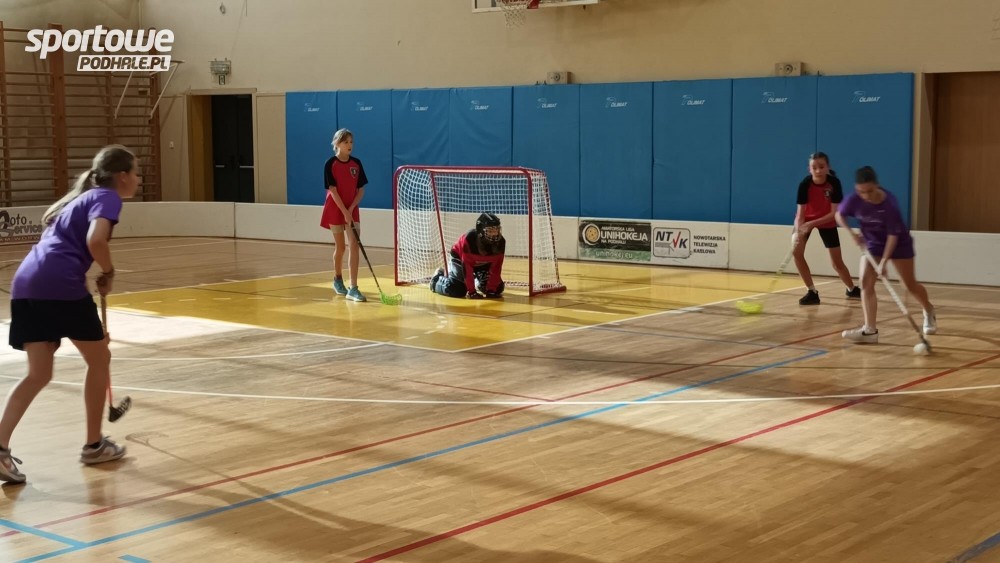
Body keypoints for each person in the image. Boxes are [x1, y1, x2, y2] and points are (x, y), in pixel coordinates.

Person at [0, 145, 137, 484]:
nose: (138, 179)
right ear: (122, 176)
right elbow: (96, 241)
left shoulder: (81, 199)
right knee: (99, 358)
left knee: (38, 374)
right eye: (135, 173)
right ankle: (93, 445)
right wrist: (109, 272)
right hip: (59, 286)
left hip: (27, 283)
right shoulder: (107, 197)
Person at [836, 166, 937, 344]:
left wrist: (883, 263)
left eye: (870, 191)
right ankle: (870, 331)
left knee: (909, 285)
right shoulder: (854, 199)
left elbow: (892, 237)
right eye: (861, 192)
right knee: (865, 282)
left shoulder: (889, 204)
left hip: (899, 245)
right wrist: (852, 234)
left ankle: (928, 309)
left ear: (877, 185)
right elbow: (839, 215)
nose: (866, 196)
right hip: (873, 244)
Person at [793, 152, 860, 305]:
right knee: (797, 252)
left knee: (836, 262)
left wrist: (812, 224)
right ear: (809, 169)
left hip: (827, 221)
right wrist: (797, 232)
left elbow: (834, 213)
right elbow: (800, 215)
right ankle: (811, 291)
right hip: (805, 221)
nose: (818, 170)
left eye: (821, 167)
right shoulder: (804, 185)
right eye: (814, 167)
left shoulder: (834, 183)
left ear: (828, 167)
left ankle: (851, 289)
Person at [320, 128, 368, 302]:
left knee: (354, 245)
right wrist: (345, 211)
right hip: (335, 208)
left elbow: (361, 189)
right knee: (340, 248)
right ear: (337, 143)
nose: (349, 145)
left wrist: (352, 208)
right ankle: (338, 279)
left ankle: (353, 288)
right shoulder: (330, 164)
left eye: (351, 142)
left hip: (352, 209)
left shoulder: (357, 163)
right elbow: (332, 190)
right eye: (345, 142)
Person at [430, 213, 505, 299]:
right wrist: (472, 292)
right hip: (460, 260)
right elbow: (467, 267)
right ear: (481, 231)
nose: (495, 234)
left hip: (483, 264)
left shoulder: (501, 242)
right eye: (490, 231)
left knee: (498, 288)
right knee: (456, 289)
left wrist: (491, 290)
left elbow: (496, 268)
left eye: (497, 230)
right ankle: (436, 279)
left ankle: (477, 281)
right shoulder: (469, 240)